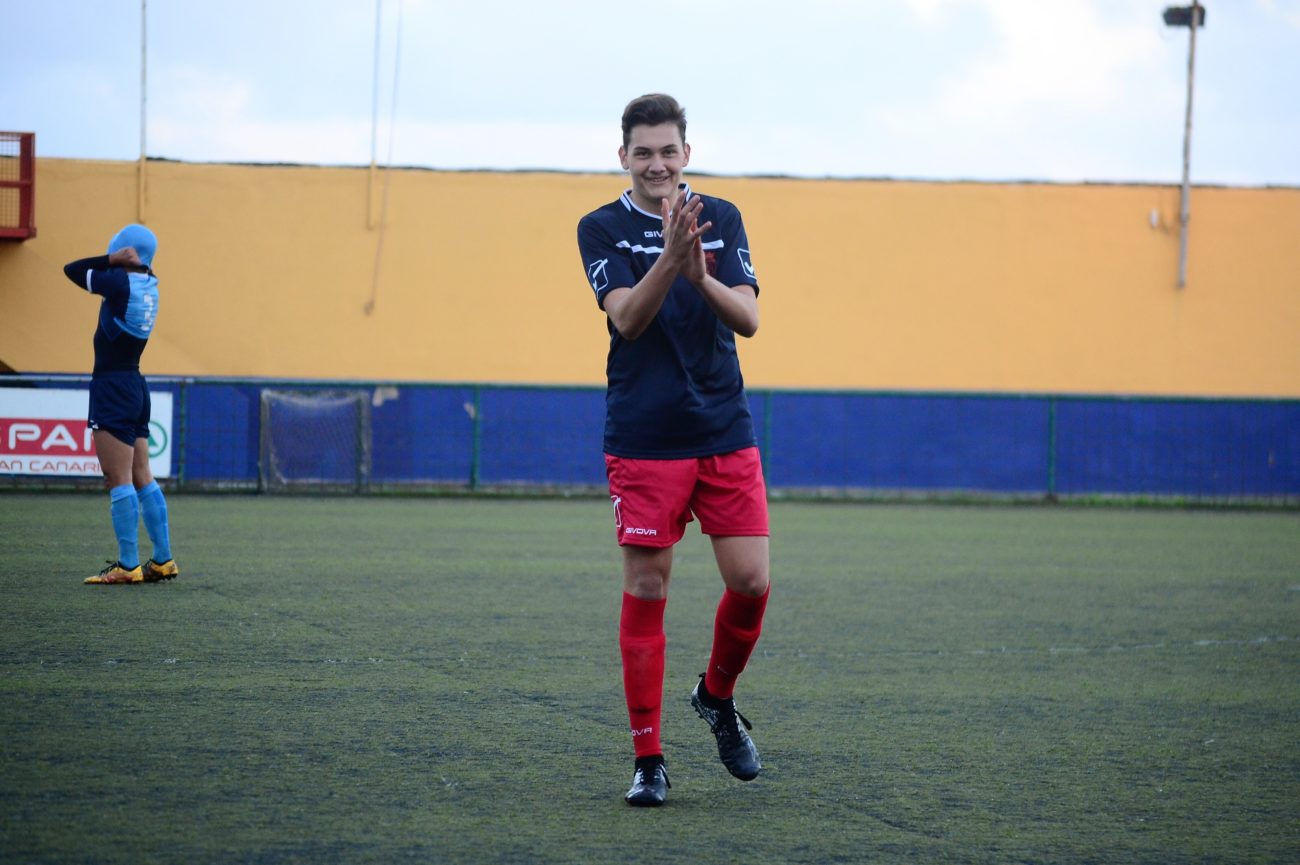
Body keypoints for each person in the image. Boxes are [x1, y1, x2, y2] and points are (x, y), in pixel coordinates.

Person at [576, 94, 771, 806]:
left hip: (722, 426)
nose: (656, 163)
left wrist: (700, 275)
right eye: (643, 152)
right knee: (647, 588)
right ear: (623, 156)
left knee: (751, 581)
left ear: (686, 153)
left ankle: (715, 696)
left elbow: (749, 318)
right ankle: (648, 759)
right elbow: (627, 319)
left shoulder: (721, 216)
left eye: (667, 150)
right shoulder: (600, 227)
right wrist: (668, 259)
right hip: (645, 435)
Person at [63, 224, 179, 585]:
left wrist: (110, 258)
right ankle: (163, 560)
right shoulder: (150, 283)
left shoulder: (118, 283)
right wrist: (125, 260)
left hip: (112, 386)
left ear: (125, 251)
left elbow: (72, 270)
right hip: (135, 384)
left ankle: (128, 565)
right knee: (143, 475)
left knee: (118, 477)